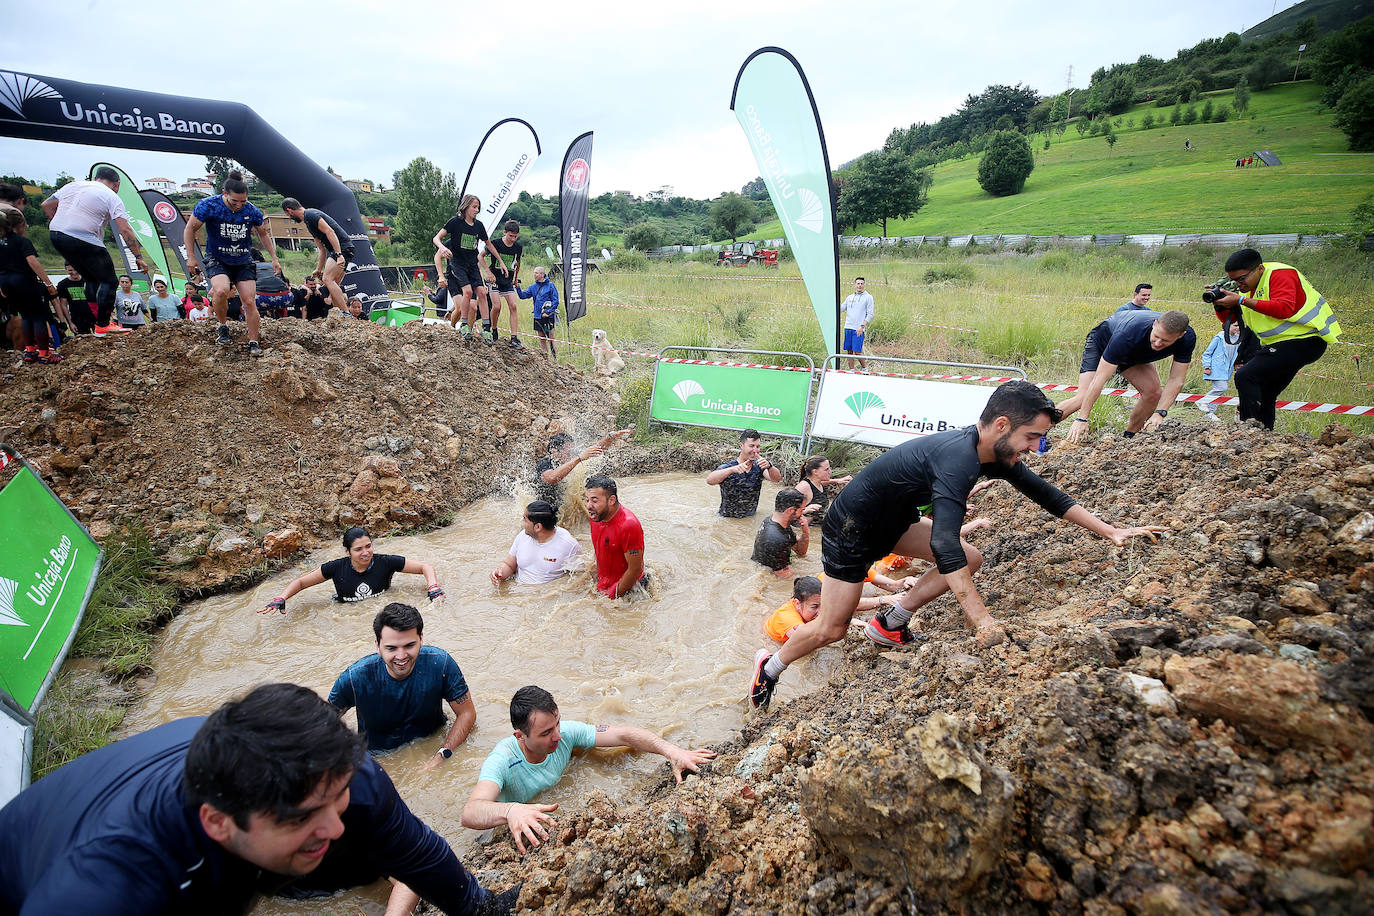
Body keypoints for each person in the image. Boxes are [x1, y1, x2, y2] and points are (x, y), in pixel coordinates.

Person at [748, 381, 1165, 710]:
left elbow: (1047, 495)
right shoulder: (957, 459)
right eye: (1032, 437)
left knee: (972, 557)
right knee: (832, 629)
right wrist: (982, 620)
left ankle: (889, 623)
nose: (1036, 448)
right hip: (851, 529)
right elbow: (944, 540)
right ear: (1002, 425)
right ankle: (771, 667)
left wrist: (1110, 531)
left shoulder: (994, 453)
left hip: (893, 521)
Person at [0, 682, 519, 916]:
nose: (335, 828)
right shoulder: (114, 880)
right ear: (220, 823)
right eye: (302, 818)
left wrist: (483, 911)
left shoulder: (339, 772)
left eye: (334, 800)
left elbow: (418, 855)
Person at [459, 686, 715, 854]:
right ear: (520, 736)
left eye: (557, 724)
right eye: (546, 732)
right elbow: (470, 813)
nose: (558, 736)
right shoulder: (503, 759)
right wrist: (511, 810)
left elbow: (624, 734)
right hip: (508, 829)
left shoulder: (566, 733)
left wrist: (672, 751)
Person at [1208, 248, 1342, 430]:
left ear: (1259, 269)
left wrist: (1241, 301)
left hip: (1306, 339)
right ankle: (1265, 438)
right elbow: (1232, 323)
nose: (1239, 284)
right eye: (1233, 280)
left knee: (1246, 375)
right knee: (1265, 390)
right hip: (1283, 343)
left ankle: (1249, 433)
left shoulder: (1281, 274)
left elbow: (1284, 308)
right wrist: (1221, 305)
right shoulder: (1245, 288)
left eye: (1242, 278)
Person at [328, 603, 474, 767]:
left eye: (409, 645)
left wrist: (441, 756)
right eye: (391, 648)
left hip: (433, 742)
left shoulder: (440, 664)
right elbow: (322, 726)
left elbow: (466, 714)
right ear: (378, 646)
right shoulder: (354, 679)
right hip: (379, 759)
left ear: (421, 639)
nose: (401, 656)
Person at [40, 165, 150, 337]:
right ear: (116, 184)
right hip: (83, 237)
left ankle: (97, 319)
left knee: (91, 278)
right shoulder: (111, 196)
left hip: (56, 235)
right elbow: (125, 229)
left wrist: (61, 223)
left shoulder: (72, 185)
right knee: (110, 281)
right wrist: (138, 256)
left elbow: (46, 205)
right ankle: (103, 324)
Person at [1057, 308, 1196, 444]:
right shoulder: (1128, 333)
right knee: (1083, 396)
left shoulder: (1187, 338)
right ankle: (1040, 429)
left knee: (1153, 393)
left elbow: (1176, 379)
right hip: (1103, 342)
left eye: (1165, 341)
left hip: (1134, 353)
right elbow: (1100, 379)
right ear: (1155, 324)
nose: (1158, 343)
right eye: (1156, 336)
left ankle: (1128, 439)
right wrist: (1082, 419)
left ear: (1180, 335)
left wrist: (1160, 413)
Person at [184, 170, 281, 356]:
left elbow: (263, 233)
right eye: (234, 201)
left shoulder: (251, 210)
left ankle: (253, 341)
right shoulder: (208, 206)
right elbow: (190, 229)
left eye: (242, 201)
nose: (238, 205)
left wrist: (274, 258)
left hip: (243, 259)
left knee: (250, 300)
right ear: (224, 193)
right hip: (217, 257)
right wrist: (191, 256)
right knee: (221, 290)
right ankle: (222, 326)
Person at [260, 526, 445, 613]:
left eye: (368, 546)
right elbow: (300, 582)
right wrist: (281, 598)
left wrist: (433, 587)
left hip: (380, 607)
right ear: (347, 551)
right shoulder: (335, 567)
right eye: (358, 549)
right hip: (345, 611)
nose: (366, 552)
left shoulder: (385, 562)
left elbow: (425, 567)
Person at [434, 195, 507, 342]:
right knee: (467, 292)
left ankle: (486, 328)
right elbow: (436, 238)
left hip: (472, 264)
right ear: (466, 207)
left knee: (481, 292)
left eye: (478, 207)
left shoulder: (479, 226)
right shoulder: (455, 223)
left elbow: (489, 244)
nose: (476, 210)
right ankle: (463, 325)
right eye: (474, 207)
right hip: (457, 263)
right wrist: (442, 249)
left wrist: (501, 261)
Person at [0, 207, 61, 364]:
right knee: (39, 316)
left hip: (6, 283)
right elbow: (32, 261)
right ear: (20, 225)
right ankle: (44, 353)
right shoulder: (21, 241)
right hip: (24, 282)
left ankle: (30, 351)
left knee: (25, 316)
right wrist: (48, 283)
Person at [534, 430, 631, 514]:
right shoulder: (545, 463)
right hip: (544, 508)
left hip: (565, 507)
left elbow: (596, 449)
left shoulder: (570, 458)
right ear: (554, 451)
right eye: (568, 452)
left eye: (573, 451)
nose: (571, 454)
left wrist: (609, 437)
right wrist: (579, 458)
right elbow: (551, 478)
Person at [282, 199, 353, 315]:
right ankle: (340, 313)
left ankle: (346, 312)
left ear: (289, 211)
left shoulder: (311, 215)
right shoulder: (308, 223)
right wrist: (318, 269)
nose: (289, 217)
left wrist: (339, 254)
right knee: (332, 284)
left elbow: (330, 231)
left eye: (287, 215)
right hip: (336, 250)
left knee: (327, 279)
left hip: (342, 248)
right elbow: (321, 248)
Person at [491, 500, 583, 585]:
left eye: (524, 519)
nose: (521, 522)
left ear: (538, 527)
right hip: (518, 592)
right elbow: (510, 565)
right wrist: (500, 572)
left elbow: (580, 577)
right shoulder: (523, 536)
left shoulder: (568, 545)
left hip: (545, 596)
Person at [584, 475, 646, 599]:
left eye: (594, 501)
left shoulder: (628, 525)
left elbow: (635, 569)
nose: (588, 506)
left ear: (611, 500)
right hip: (604, 583)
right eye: (587, 500)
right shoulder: (596, 516)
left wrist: (611, 596)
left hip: (629, 590)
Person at [704, 429, 784, 518]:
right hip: (727, 519)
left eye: (757, 446)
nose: (755, 450)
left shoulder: (759, 467)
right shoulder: (729, 467)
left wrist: (769, 466)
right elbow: (709, 480)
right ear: (741, 446)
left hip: (750, 518)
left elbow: (777, 479)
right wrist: (732, 470)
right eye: (751, 446)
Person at [751, 488, 815, 577]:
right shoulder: (777, 539)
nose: (802, 514)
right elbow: (783, 578)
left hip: (767, 568)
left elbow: (800, 552)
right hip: (769, 578)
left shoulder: (776, 522)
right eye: (801, 510)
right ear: (790, 510)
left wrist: (805, 531)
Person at [484, 220, 524, 349]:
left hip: (507, 280)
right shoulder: (495, 243)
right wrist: (488, 273)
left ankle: (514, 337)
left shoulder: (518, 247)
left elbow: (518, 262)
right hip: (494, 280)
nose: (512, 239)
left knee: (513, 305)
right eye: (510, 236)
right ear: (505, 232)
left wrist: (515, 278)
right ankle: (493, 329)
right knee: (497, 306)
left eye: (515, 236)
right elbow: (480, 257)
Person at [1197, 324, 1240, 422]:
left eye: (1239, 326)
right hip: (1216, 368)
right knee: (1221, 387)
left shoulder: (1238, 339)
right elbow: (1207, 353)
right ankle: (1202, 401)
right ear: (1227, 326)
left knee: (1220, 391)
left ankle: (1210, 413)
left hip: (1227, 370)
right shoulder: (1219, 338)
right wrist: (1207, 366)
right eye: (1235, 325)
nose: (1237, 328)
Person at [764, 576, 824, 643]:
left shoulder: (813, 600)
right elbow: (808, 641)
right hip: (771, 638)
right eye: (815, 607)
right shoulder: (787, 618)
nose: (821, 612)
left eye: (824, 604)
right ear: (797, 603)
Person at [517, 265, 559, 358]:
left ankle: (555, 360)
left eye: (536, 273)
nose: (534, 275)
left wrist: (548, 312)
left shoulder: (550, 286)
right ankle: (545, 360)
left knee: (551, 339)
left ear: (542, 274)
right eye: (534, 273)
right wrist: (517, 287)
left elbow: (556, 301)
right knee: (542, 339)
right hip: (537, 316)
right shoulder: (533, 287)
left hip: (548, 316)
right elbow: (523, 296)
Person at [839, 277, 875, 370]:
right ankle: (851, 370)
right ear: (855, 285)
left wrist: (862, 326)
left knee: (857, 351)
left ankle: (865, 369)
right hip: (848, 327)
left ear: (864, 285)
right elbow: (841, 308)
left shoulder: (868, 297)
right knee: (849, 351)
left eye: (861, 284)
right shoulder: (850, 297)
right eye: (858, 283)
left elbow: (870, 314)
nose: (860, 285)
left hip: (858, 328)